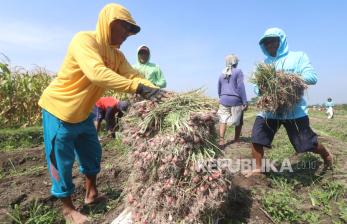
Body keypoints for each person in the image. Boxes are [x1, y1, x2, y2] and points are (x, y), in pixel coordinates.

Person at [38, 4, 163, 224]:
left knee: (92, 153)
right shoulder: (84, 40)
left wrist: (156, 90)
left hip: (84, 112)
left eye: (129, 31)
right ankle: (68, 210)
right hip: (60, 110)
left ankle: (91, 194)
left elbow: (133, 76)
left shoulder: (117, 56)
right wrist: (138, 88)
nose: (126, 35)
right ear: (108, 23)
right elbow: (97, 73)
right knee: (61, 162)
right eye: (123, 28)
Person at [247, 28, 332, 177]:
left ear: (281, 41)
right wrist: (261, 88)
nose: (270, 44)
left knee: (306, 144)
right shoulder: (264, 65)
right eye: (266, 42)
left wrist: (286, 79)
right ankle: (258, 170)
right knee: (257, 138)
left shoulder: (298, 57)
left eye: (273, 40)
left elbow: (312, 77)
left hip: (294, 110)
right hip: (270, 110)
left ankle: (325, 154)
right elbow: (256, 88)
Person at [217, 54, 248, 147]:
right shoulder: (238, 72)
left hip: (223, 99)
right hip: (236, 100)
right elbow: (241, 87)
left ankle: (221, 140)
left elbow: (219, 88)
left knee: (223, 120)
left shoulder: (222, 73)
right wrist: (245, 101)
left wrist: (222, 97)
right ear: (236, 62)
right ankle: (236, 139)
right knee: (239, 121)